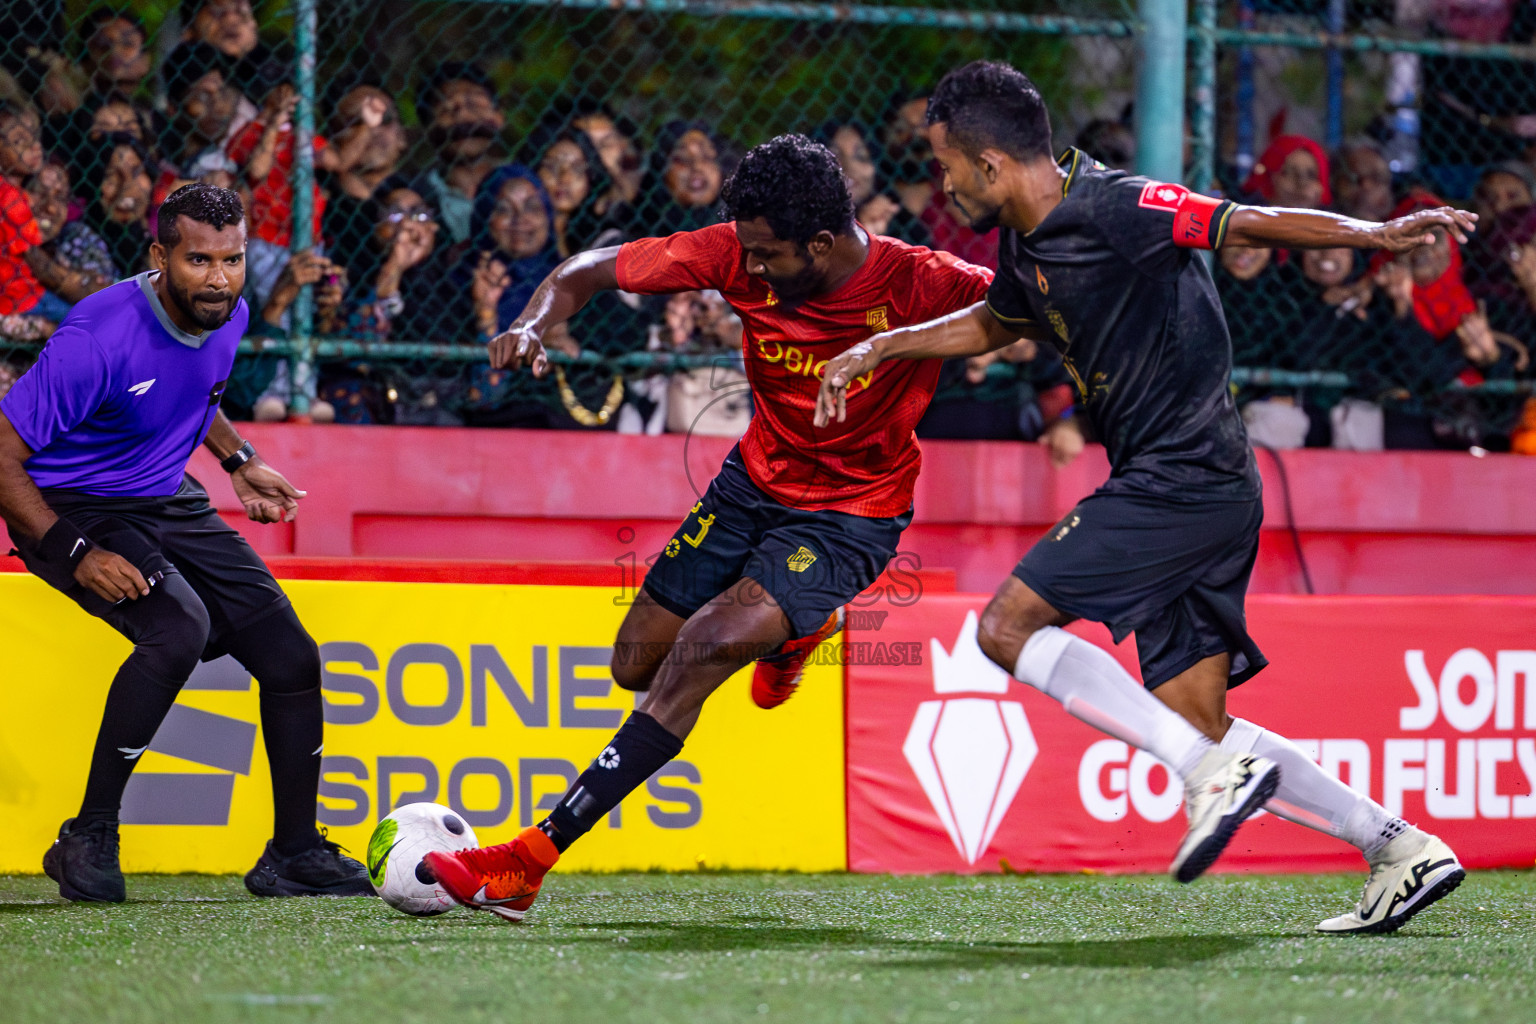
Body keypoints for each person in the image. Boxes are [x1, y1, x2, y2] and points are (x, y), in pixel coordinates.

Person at [816, 61, 1469, 934]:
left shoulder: (1119, 206)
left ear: (991, 164)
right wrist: (884, 347)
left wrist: (1375, 234)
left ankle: (1206, 777)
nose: (941, 180)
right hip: (1198, 484)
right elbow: (995, 324)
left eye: (945, 164)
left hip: (1184, 475)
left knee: (1005, 628)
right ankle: (1398, 847)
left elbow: (1244, 220)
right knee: (1195, 720)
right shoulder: (1025, 237)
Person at [421, 134, 998, 920]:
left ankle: (528, 859)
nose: (748, 270)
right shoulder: (735, 248)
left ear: (821, 244)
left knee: (696, 655)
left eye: (766, 257)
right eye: (746, 252)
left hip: (851, 514)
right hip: (751, 485)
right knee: (635, 663)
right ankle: (799, 631)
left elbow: (1030, 308)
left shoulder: (921, 281)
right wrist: (532, 322)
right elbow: (587, 270)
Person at [0, 183, 370, 902]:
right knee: (176, 628)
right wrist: (76, 552)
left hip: (166, 497)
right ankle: (88, 834)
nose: (219, 278)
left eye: (231, 260)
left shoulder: (225, 313)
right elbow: (1, 455)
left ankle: (293, 852)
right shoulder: (97, 336)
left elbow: (196, 391)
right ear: (160, 256)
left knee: (292, 657)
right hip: (73, 505)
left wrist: (239, 461)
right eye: (198, 260)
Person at [413, 62, 506, 245]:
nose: (462, 116)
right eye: (447, 109)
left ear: (498, 117)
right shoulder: (417, 196)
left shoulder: (528, 181)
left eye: (474, 105)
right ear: (428, 129)